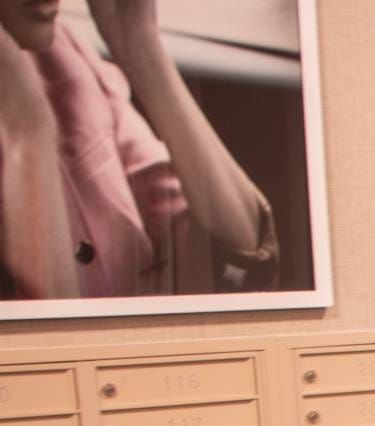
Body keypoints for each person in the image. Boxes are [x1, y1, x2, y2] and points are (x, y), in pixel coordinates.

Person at [0, 0, 277, 300]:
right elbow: (52, 328)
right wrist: (26, 136)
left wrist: (139, 44)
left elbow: (242, 265)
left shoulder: (67, 58)